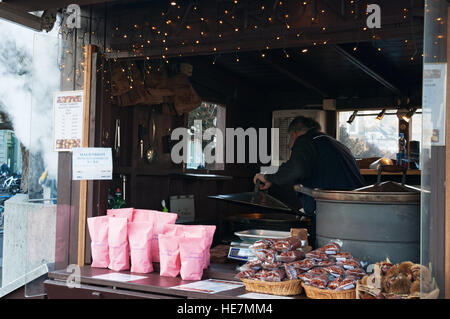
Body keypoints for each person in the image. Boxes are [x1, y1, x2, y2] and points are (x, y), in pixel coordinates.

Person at [253, 116, 365, 216]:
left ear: (293, 134)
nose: (291, 147)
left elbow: (296, 168)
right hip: (357, 208)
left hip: (335, 211)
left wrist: (268, 177)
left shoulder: (305, 140)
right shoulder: (336, 144)